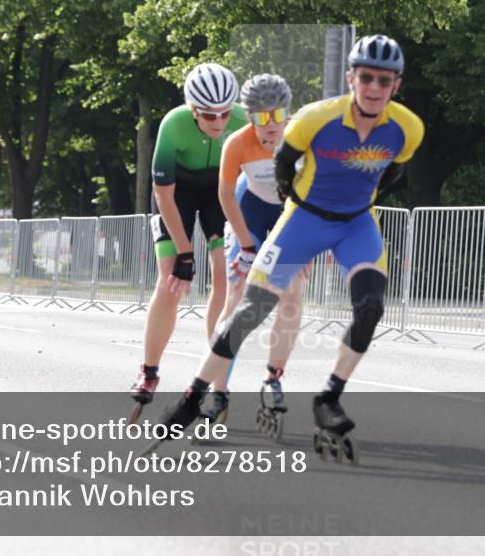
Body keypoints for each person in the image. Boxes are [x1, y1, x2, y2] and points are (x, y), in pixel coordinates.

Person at [154, 35, 425, 449]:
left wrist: (360, 200)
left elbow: (393, 172)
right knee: (247, 309)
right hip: (300, 218)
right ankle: (196, 397)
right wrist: (252, 242)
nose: (374, 88)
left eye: (384, 81)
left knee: (369, 306)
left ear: (396, 85)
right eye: (366, 77)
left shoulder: (408, 128)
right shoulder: (311, 121)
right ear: (351, 78)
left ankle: (325, 396)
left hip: (355, 223)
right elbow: (274, 176)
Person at [129, 63, 247, 417]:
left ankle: (218, 381)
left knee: (226, 281)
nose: (219, 122)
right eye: (210, 114)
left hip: (218, 194)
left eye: (225, 113)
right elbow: (163, 195)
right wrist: (183, 252)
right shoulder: (173, 125)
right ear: (194, 109)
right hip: (176, 194)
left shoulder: (243, 121)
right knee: (171, 281)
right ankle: (149, 372)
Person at [201, 74, 308, 424]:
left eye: (278, 115)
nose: (271, 125)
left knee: (292, 294)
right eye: (262, 117)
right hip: (251, 211)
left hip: (290, 214)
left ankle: (274, 377)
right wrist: (246, 244)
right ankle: (218, 391)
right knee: (237, 294)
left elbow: (314, 195)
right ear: (249, 118)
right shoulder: (238, 143)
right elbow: (225, 196)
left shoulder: (302, 138)